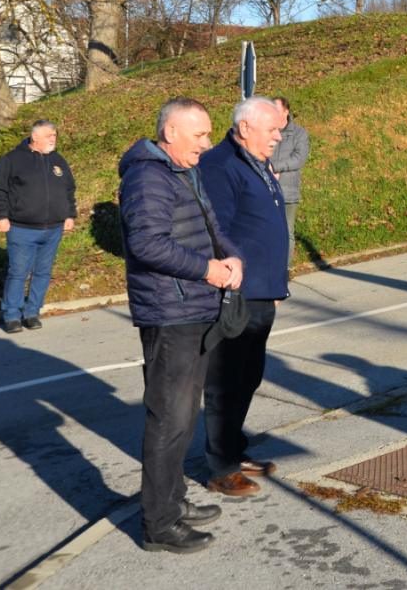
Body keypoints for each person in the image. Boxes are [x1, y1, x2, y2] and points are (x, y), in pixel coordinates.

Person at [119, 98, 243, 554]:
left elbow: (211, 225)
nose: (207, 144)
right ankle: (159, 525)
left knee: (184, 415)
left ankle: (174, 502)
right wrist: (207, 270)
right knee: (168, 419)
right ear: (171, 133)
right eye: (200, 135)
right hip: (170, 314)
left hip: (192, 308)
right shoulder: (147, 176)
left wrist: (229, 256)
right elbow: (147, 244)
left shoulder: (182, 170)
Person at [198, 96, 290, 497]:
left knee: (248, 376)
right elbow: (216, 230)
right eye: (272, 129)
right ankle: (221, 467)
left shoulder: (256, 162)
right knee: (225, 380)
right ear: (247, 127)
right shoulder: (221, 165)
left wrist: (275, 282)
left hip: (261, 291)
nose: (279, 135)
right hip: (236, 294)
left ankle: (233, 447)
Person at [0, 120, 77, 333]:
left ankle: (32, 312)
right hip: (22, 228)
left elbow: (68, 190)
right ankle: (12, 315)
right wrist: (0, 216)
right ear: (34, 137)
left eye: (55, 135)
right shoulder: (12, 160)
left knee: (43, 272)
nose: (53, 139)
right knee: (18, 272)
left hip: (53, 228)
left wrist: (69, 214)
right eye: (49, 136)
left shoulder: (58, 160)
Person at [269, 95, 309, 252]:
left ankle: (284, 270)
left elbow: (299, 159)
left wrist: (275, 167)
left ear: (286, 111)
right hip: (266, 190)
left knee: (287, 233)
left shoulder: (299, 133)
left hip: (287, 191)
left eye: (277, 110)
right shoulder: (266, 131)